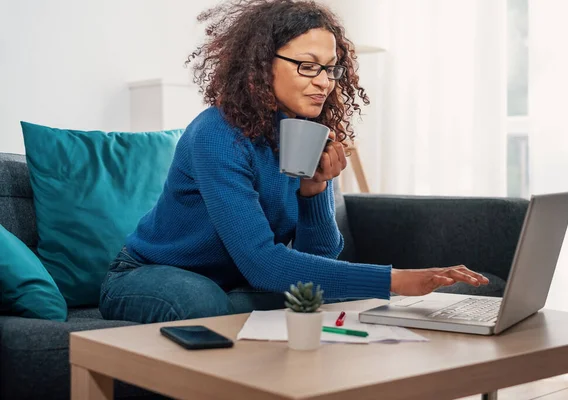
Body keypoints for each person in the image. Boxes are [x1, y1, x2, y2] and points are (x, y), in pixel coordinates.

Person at [99, 0, 489, 324]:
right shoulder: (216, 133)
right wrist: (396, 280)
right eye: (307, 65)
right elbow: (264, 265)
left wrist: (314, 192)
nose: (324, 81)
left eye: (331, 68)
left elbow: (316, 260)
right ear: (261, 63)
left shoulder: (304, 133)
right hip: (147, 275)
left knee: (311, 298)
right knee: (206, 304)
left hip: (232, 285)